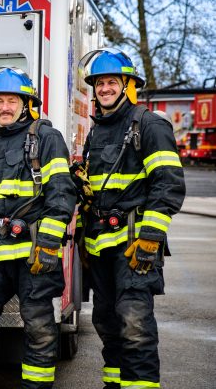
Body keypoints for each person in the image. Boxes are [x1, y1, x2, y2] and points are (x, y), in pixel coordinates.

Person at [0, 67, 76, 389]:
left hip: (33, 252)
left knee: (38, 326)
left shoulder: (46, 138)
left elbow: (62, 191)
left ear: (26, 104)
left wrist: (49, 243)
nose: (5, 107)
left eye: (12, 100)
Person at [77, 48, 185, 389]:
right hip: (101, 244)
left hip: (135, 244)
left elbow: (168, 184)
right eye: (99, 83)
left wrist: (151, 237)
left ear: (127, 85)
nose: (105, 88)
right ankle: (115, 383)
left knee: (134, 323)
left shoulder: (149, 125)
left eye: (112, 82)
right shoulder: (97, 130)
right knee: (106, 321)